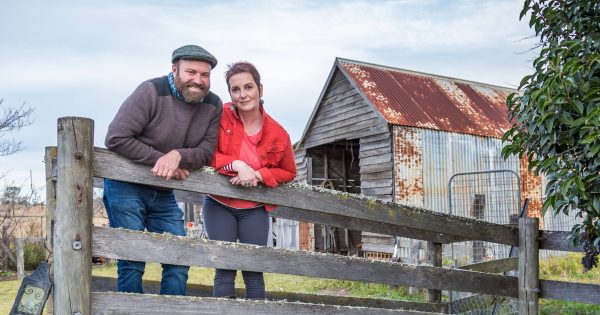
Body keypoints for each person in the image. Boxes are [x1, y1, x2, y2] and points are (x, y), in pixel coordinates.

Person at [103, 45, 223, 295]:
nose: (198, 80)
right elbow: (116, 137)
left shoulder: (213, 105)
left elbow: (206, 152)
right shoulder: (150, 91)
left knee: (178, 257)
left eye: (205, 75)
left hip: (164, 192)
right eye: (191, 72)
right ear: (174, 69)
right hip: (125, 185)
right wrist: (162, 161)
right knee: (133, 260)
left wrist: (178, 156)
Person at [204, 61, 296, 299]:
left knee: (254, 272)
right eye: (236, 89)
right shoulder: (218, 116)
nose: (243, 95)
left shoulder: (278, 132)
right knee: (224, 269)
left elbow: (289, 172)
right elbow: (205, 153)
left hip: (254, 209)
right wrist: (237, 164)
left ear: (260, 89)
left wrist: (259, 174)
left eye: (248, 87)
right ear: (230, 94)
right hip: (219, 204)